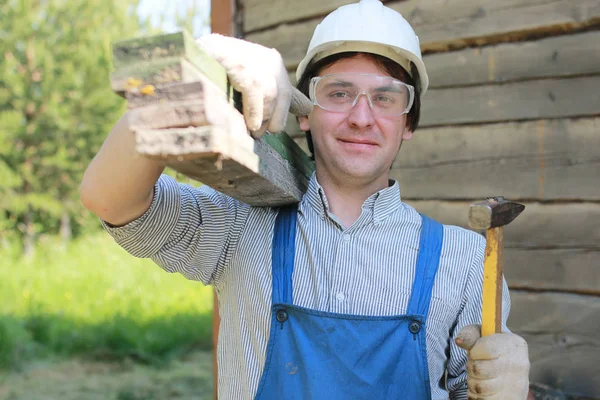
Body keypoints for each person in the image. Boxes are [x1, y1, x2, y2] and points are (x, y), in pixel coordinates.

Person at [80, 0, 530, 398]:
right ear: (305, 113)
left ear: (408, 123)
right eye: (338, 93)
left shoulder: (468, 260)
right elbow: (109, 200)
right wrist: (193, 68)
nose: (361, 117)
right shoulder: (240, 225)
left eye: (385, 98)